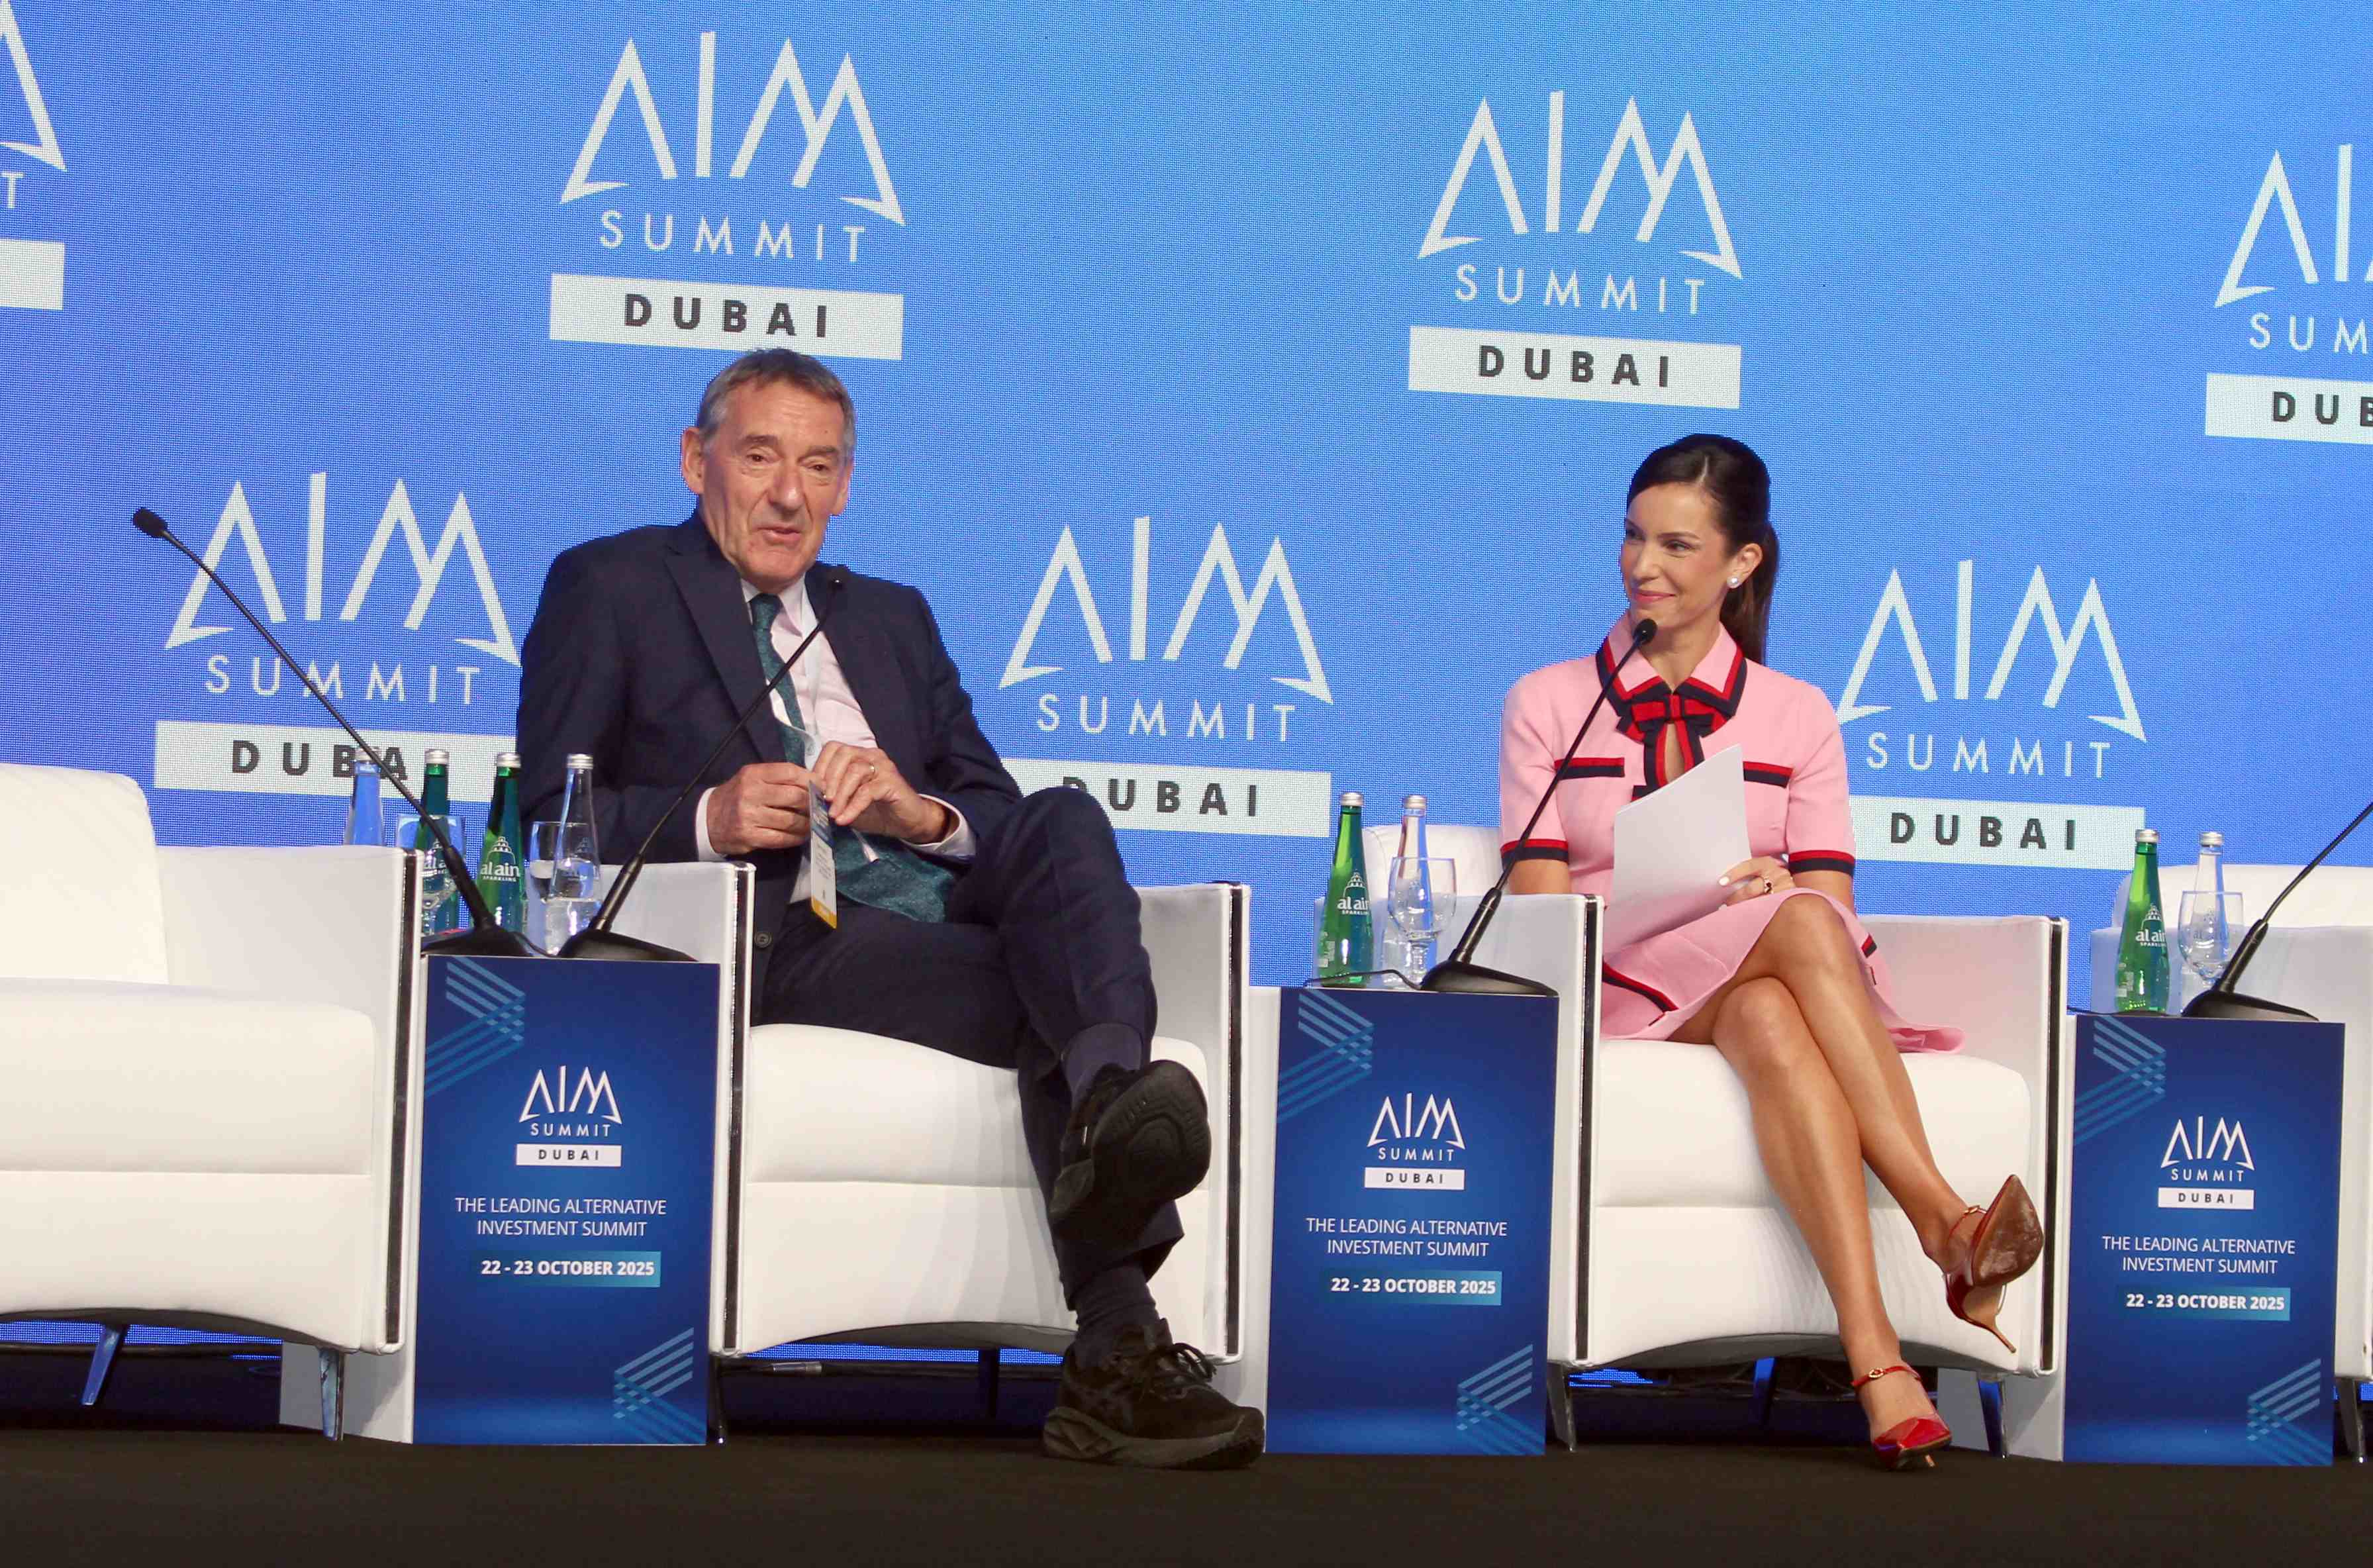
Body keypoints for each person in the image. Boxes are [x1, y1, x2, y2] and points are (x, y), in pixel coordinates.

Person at [514, 348, 1263, 1469]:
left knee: (1063, 817)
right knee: (1054, 1000)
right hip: (787, 933)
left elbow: (995, 814)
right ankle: (1119, 1336)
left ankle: (1110, 1102)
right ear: (695, 461)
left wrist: (921, 814)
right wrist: (710, 816)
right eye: (760, 458)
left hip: (941, 907)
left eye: (819, 467)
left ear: (847, 485)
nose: (789, 494)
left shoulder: (890, 617)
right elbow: (542, 817)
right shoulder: (611, 586)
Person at [1496, 434, 2042, 1471]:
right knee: (1792, 931)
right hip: (1616, 981)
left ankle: (1875, 1358)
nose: (1643, 565)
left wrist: (1771, 882)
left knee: (1773, 998)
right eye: (1633, 537)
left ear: (1742, 562)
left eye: (1677, 545)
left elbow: (1830, 905)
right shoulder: (1551, 702)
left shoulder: (1798, 713)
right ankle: (1941, 1217)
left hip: (1758, 970)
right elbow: (1537, 902)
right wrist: (1708, 902)